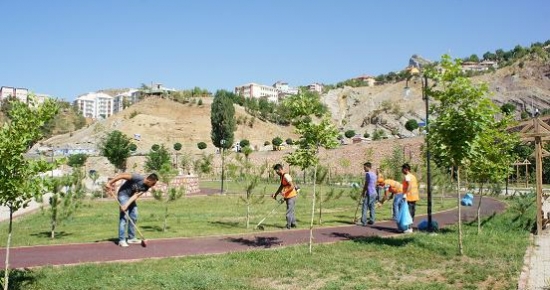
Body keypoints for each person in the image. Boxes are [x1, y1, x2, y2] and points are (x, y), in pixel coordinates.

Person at [105, 173, 158, 247]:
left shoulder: (146, 187)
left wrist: (126, 205)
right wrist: (109, 183)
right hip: (123, 195)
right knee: (124, 217)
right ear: (149, 180)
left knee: (134, 215)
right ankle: (122, 240)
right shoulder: (137, 178)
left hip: (130, 197)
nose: (153, 186)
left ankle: (131, 238)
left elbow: (135, 196)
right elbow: (122, 175)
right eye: (153, 183)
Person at [272, 164, 298, 229]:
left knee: (289, 211)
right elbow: (281, 186)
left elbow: (292, 186)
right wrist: (275, 194)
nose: (276, 173)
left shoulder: (286, 176)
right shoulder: (282, 176)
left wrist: (284, 192)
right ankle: (293, 224)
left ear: (279, 169)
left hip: (291, 196)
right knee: (291, 210)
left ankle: (288, 226)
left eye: (276, 171)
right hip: (288, 196)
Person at [401, 163, 419, 233]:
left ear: (406, 169)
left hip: (409, 196)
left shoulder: (407, 176)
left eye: (402, 169)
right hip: (414, 196)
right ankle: (410, 227)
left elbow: (409, 186)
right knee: (412, 211)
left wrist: (405, 194)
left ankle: (409, 228)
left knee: (408, 212)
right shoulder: (413, 176)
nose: (401, 170)